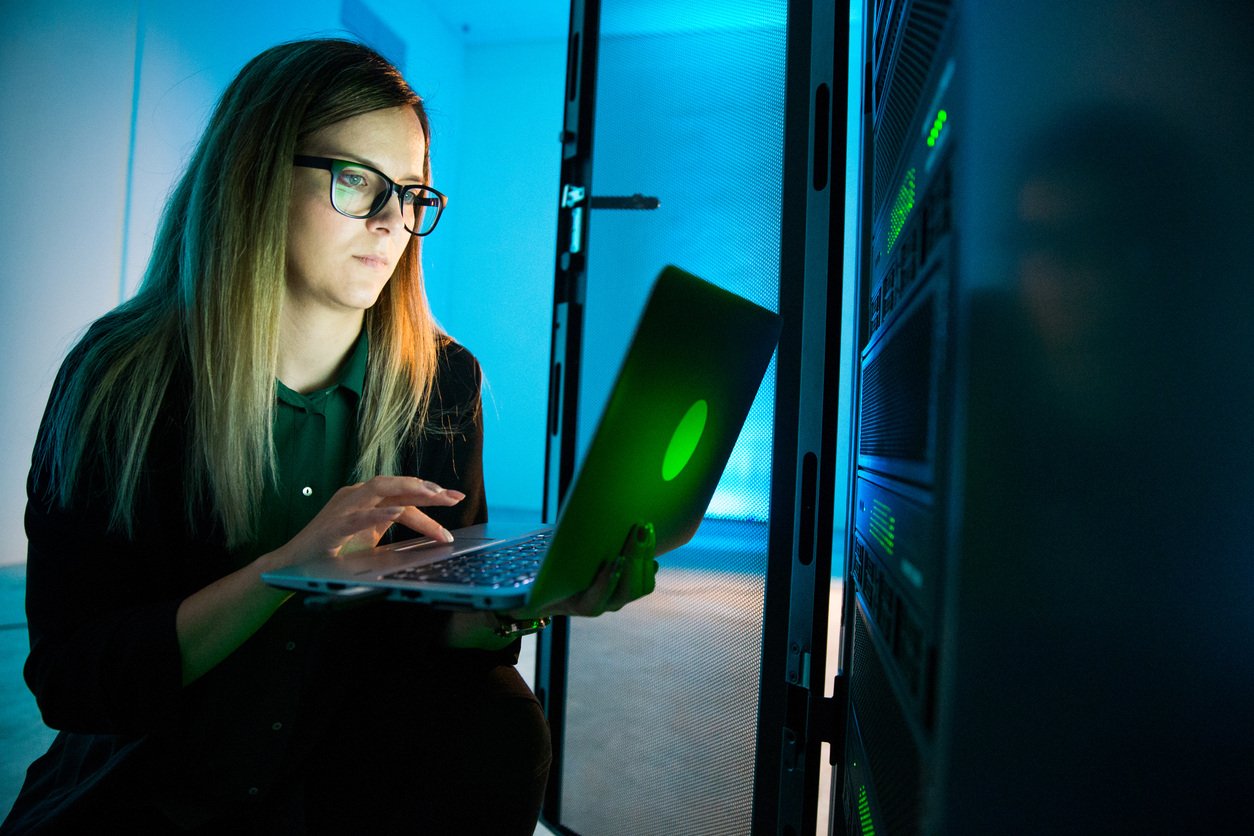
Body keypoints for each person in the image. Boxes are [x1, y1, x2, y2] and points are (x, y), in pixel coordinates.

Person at [1, 38, 655, 835]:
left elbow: (428, 643)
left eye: (411, 193)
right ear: (253, 174)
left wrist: (521, 604)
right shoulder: (121, 380)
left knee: (499, 724)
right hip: (151, 782)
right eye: (356, 181)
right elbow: (75, 680)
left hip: (341, 780)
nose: (392, 223)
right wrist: (285, 571)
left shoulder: (440, 383)